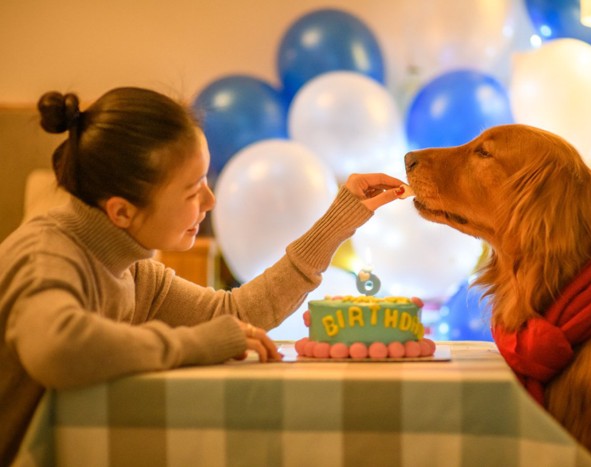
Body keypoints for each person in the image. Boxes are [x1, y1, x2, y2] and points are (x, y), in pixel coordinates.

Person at [0, 87, 406, 465]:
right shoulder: (47, 254)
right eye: (193, 191)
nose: (210, 201)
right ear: (121, 211)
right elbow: (56, 350)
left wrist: (341, 217)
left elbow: (238, 312)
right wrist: (193, 344)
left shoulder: (135, 271)